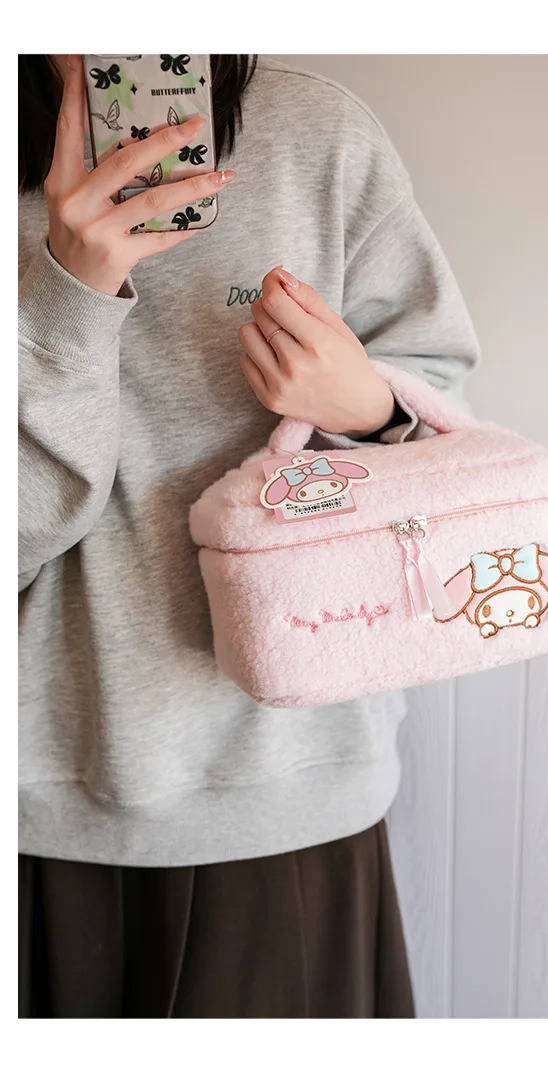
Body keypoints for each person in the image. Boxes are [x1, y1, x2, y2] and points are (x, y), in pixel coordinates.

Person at [18, 53, 480, 1018]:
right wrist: (66, 296)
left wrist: (366, 408)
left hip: (286, 783)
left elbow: (446, 427)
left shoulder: (320, 134)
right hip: (37, 798)